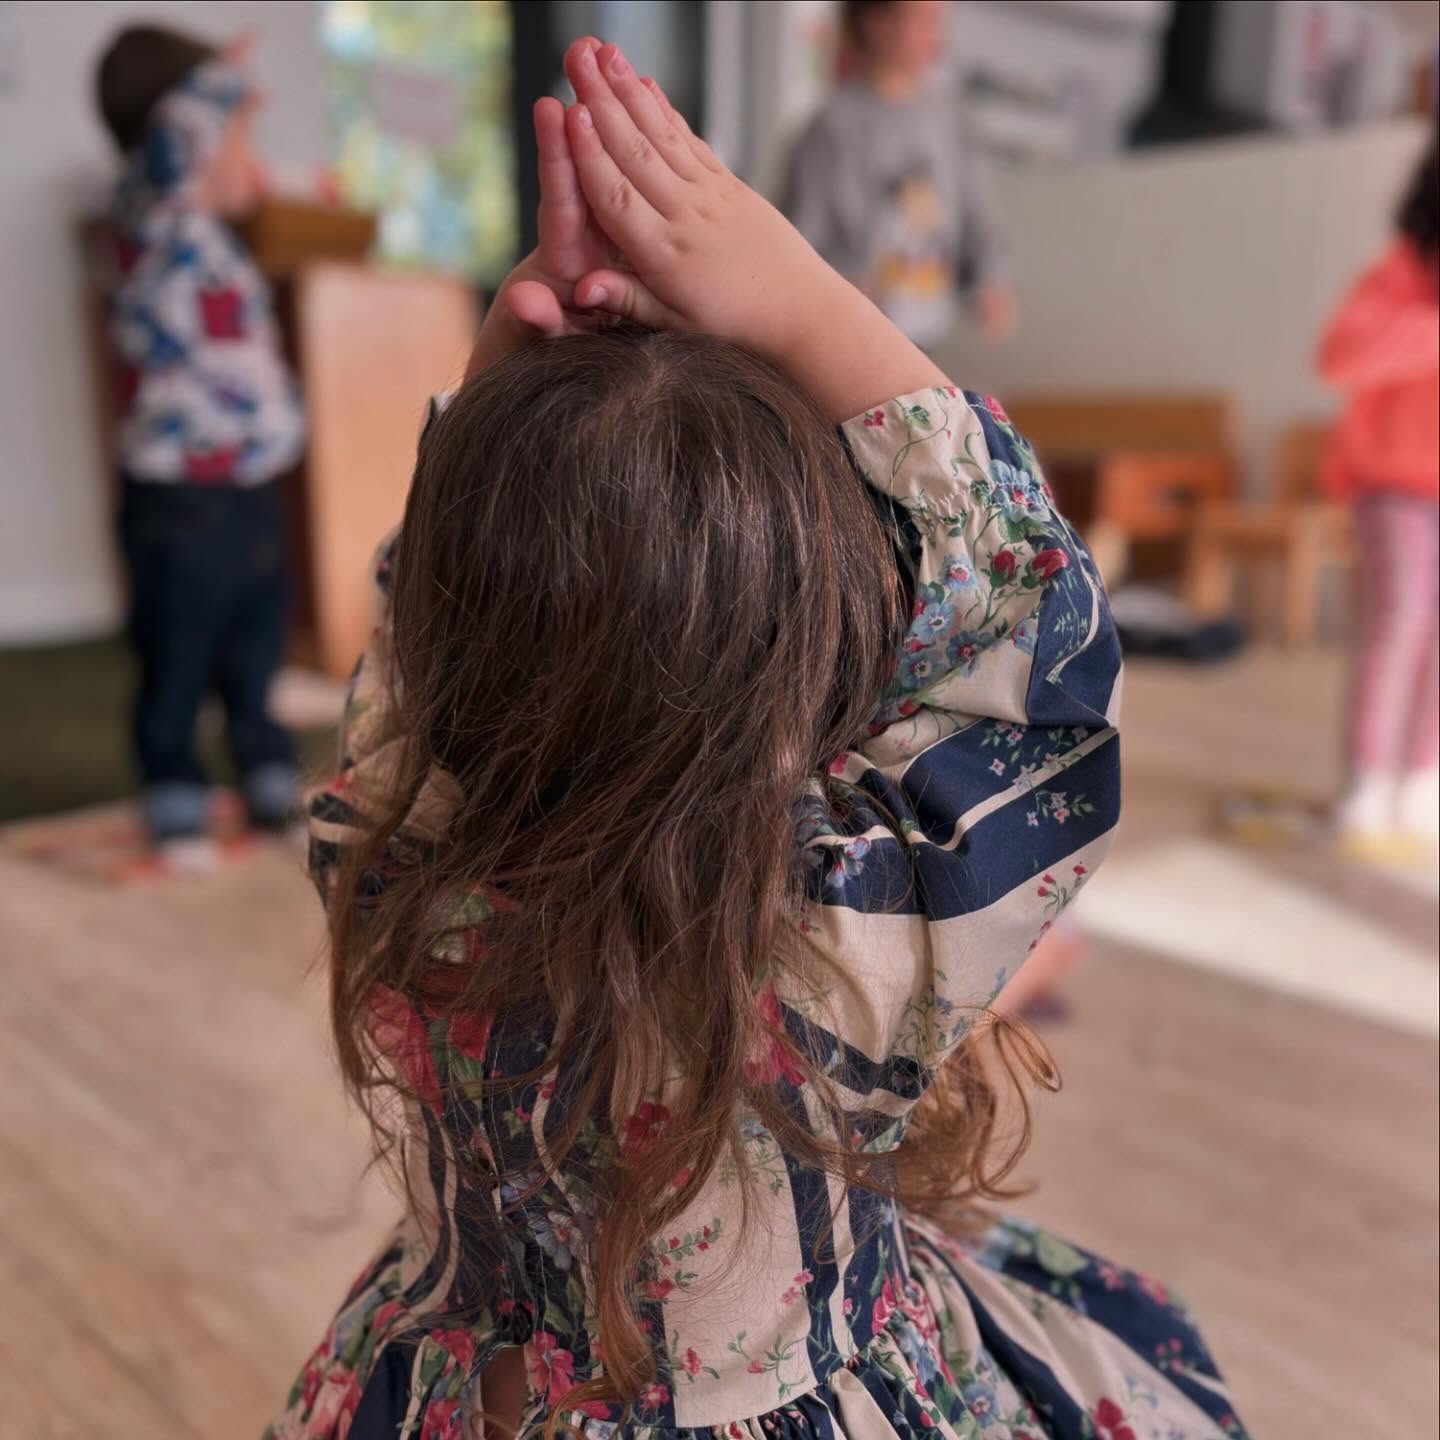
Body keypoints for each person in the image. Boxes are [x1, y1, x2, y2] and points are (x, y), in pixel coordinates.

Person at [268, 39, 1246, 1440]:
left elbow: (413, 668)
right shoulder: (836, 940)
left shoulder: (394, 866)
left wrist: (500, 403)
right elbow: (1042, 651)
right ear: (825, 661)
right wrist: (806, 299)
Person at [96, 25, 304, 861]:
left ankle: (264, 772)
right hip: (179, 488)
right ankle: (173, 787)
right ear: (185, 137)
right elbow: (179, 128)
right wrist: (222, 76)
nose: (251, 153)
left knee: (258, 639)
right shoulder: (154, 220)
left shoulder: (219, 246)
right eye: (240, 135)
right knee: (177, 644)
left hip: (251, 480)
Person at [1318, 121, 1440, 856]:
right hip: (1392, 484)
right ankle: (1368, 780)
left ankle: (1421, 780)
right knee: (1401, 616)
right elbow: (1339, 355)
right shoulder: (1404, 270)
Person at [786, 0, 1015, 350]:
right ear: (874, 23)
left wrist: (991, 279)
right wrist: (833, 289)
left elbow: (978, 210)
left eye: (938, 21)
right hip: (854, 335)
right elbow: (797, 236)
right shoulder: (833, 125)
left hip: (931, 330)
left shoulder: (949, 117)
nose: (934, 36)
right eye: (922, 20)